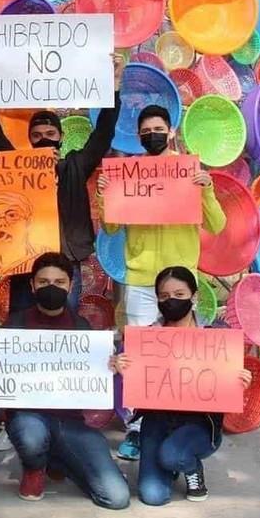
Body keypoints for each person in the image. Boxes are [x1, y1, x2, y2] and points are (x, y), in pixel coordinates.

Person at [97, 105, 227, 461]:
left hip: (181, 283)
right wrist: (105, 195)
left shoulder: (190, 173)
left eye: (157, 128)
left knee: (182, 356)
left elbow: (216, 225)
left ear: (170, 132)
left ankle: (183, 425)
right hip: (140, 280)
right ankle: (139, 430)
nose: (151, 134)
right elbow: (110, 228)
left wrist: (207, 189)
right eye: (145, 130)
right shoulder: (129, 175)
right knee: (142, 358)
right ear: (138, 137)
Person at [0, 54, 124, 311]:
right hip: (26, 263)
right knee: (22, 326)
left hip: (65, 261)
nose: (44, 139)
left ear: (61, 137)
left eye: (50, 134)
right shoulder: (17, 168)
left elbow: (103, 134)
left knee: (64, 326)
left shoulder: (76, 165)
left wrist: (115, 85)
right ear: (30, 139)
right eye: (37, 136)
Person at [0, 253, 130, 510]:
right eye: (43, 282)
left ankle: (63, 462)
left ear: (70, 286)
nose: (51, 287)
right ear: (32, 286)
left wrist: (110, 367)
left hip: (70, 422)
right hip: (28, 418)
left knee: (116, 498)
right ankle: (34, 466)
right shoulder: (14, 325)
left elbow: (93, 376)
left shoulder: (82, 327)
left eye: (59, 282)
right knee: (32, 436)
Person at [119, 266, 251, 506]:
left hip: (199, 424)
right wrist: (119, 366)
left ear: (194, 296)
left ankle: (189, 466)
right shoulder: (146, 338)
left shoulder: (215, 336)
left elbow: (226, 384)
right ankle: (169, 461)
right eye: (164, 296)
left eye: (179, 295)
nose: (171, 301)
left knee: (172, 455)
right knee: (152, 495)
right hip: (157, 420)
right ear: (157, 299)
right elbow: (130, 383)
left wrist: (239, 379)